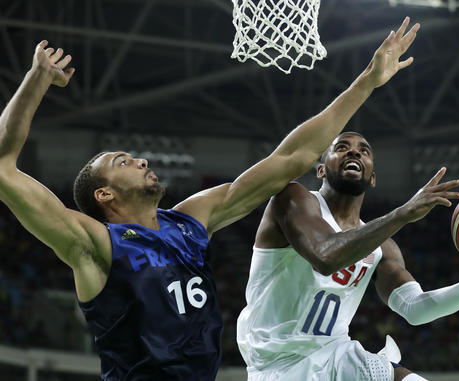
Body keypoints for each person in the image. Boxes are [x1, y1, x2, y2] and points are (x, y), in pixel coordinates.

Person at [0, 17, 419, 381]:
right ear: (104, 193)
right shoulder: (93, 244)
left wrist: (367, 81)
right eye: (124, 161)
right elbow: (3, 167)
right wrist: (37, 79)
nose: (141, 159)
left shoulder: (189, 222)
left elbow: (292, 158)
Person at [236, 131, 459, 381]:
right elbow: (325, 256)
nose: (354, 152)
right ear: (321, 169)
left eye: (363, 150)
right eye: (342, 147)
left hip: (337, 356)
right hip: (277, 365)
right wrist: (402, 213)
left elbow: (416, 309)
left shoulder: (383, 246)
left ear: (373, 177)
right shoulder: (293, 199)